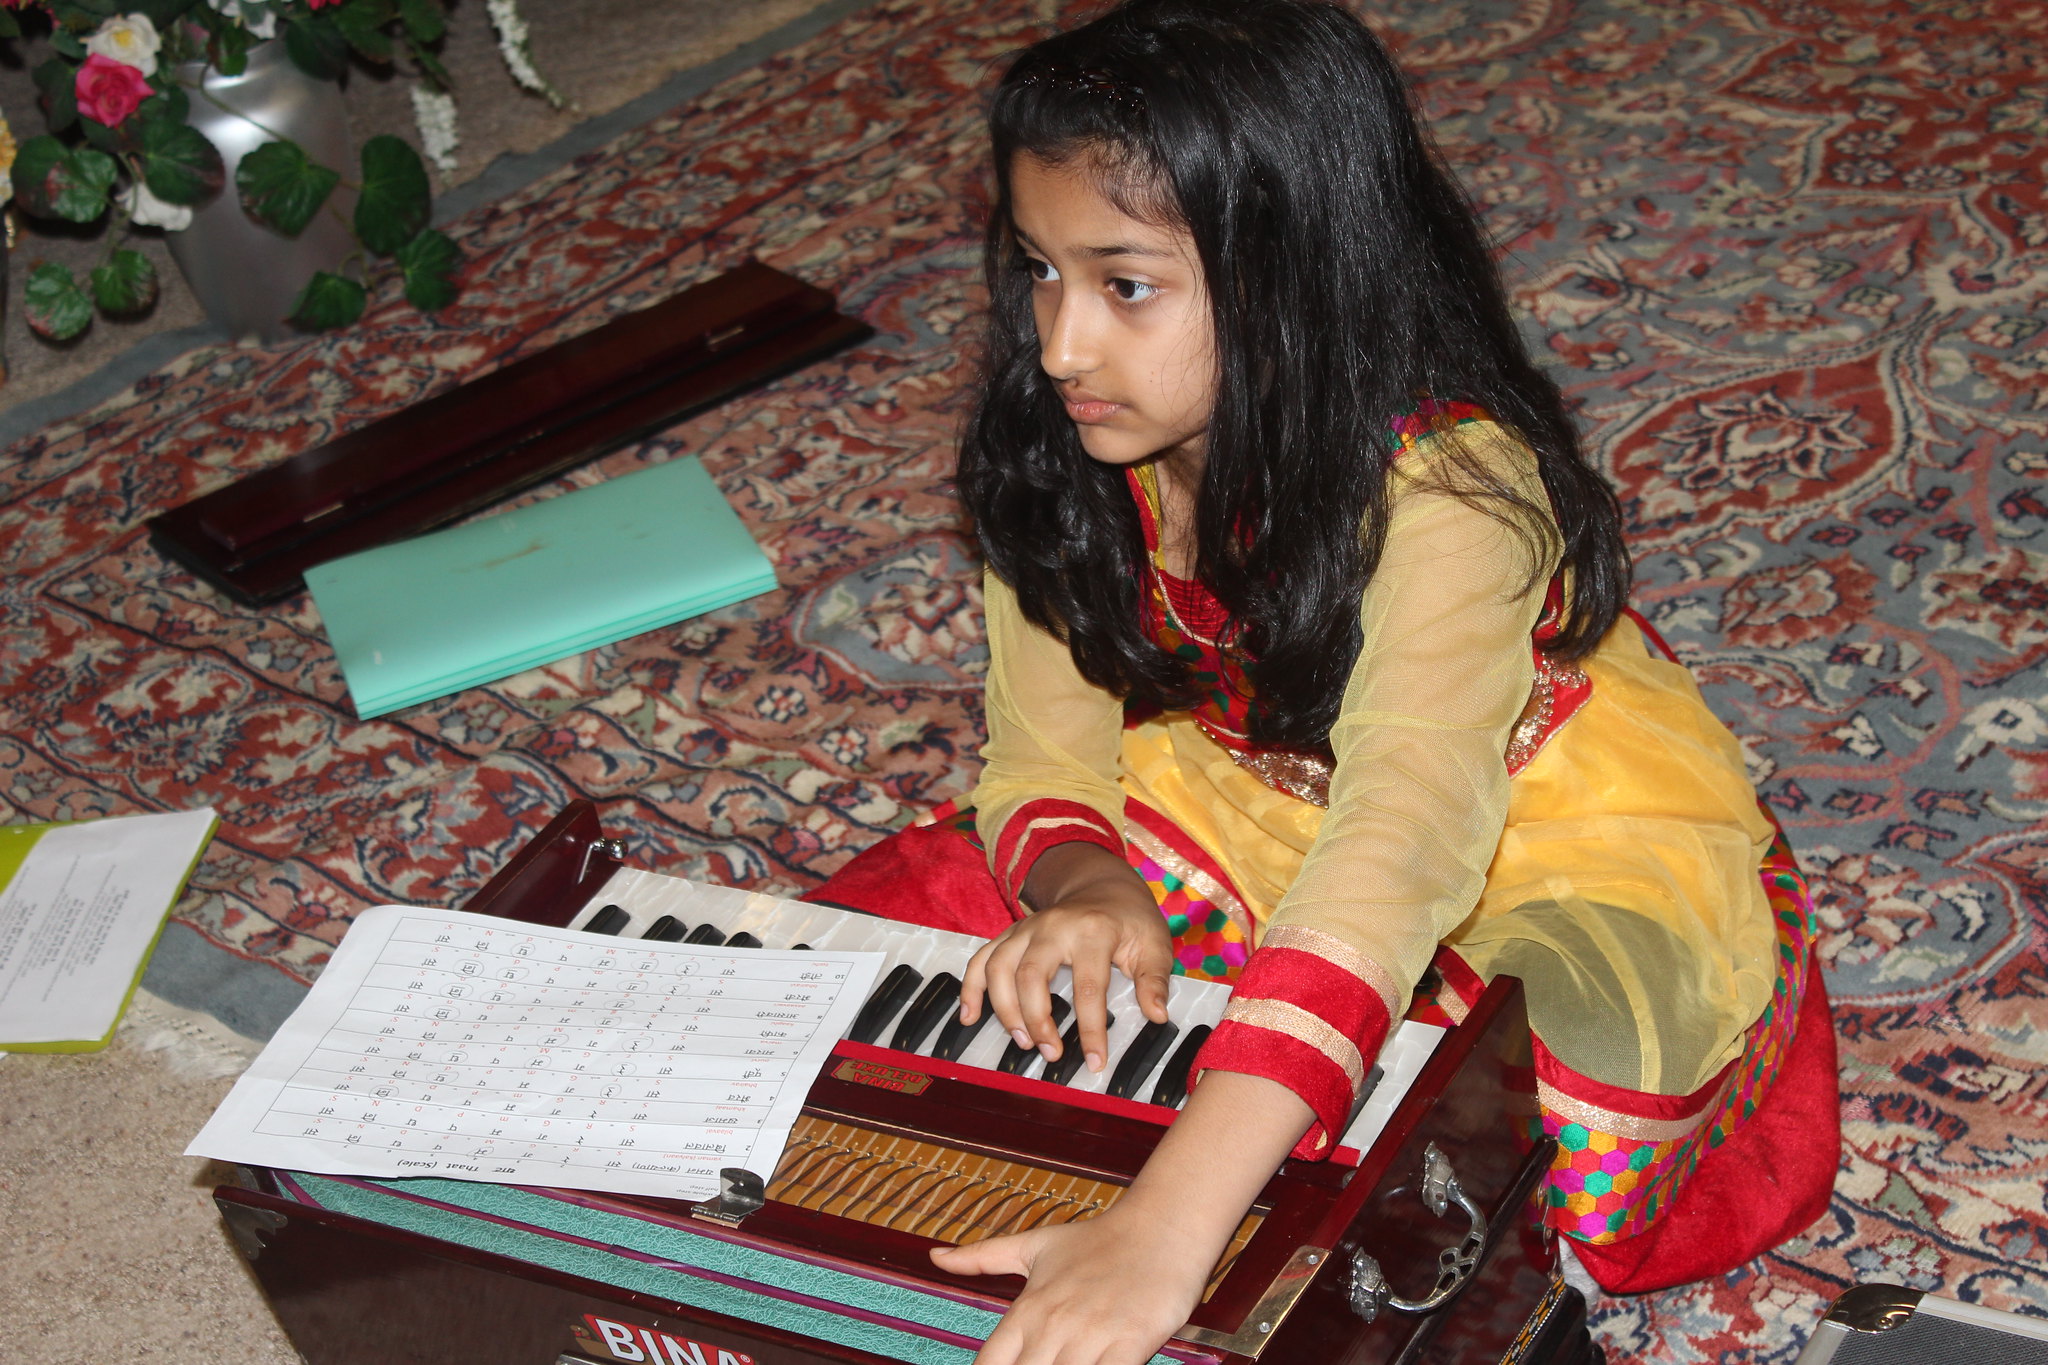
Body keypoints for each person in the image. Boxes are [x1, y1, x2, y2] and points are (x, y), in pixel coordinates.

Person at [809, 2, 1840, 1361]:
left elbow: (1400, 841)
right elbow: (1043, 761)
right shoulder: (1068, 448)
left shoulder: (1455, 489)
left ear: (1295, 275)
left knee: (1521, 1104)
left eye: (1126, 286)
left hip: (1528, 826)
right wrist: (1091, 885)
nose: (1060, 346)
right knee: (874, 946)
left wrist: (1166, 1231)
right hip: (1236, 789)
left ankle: (1265, 1077)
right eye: (1041, 272)